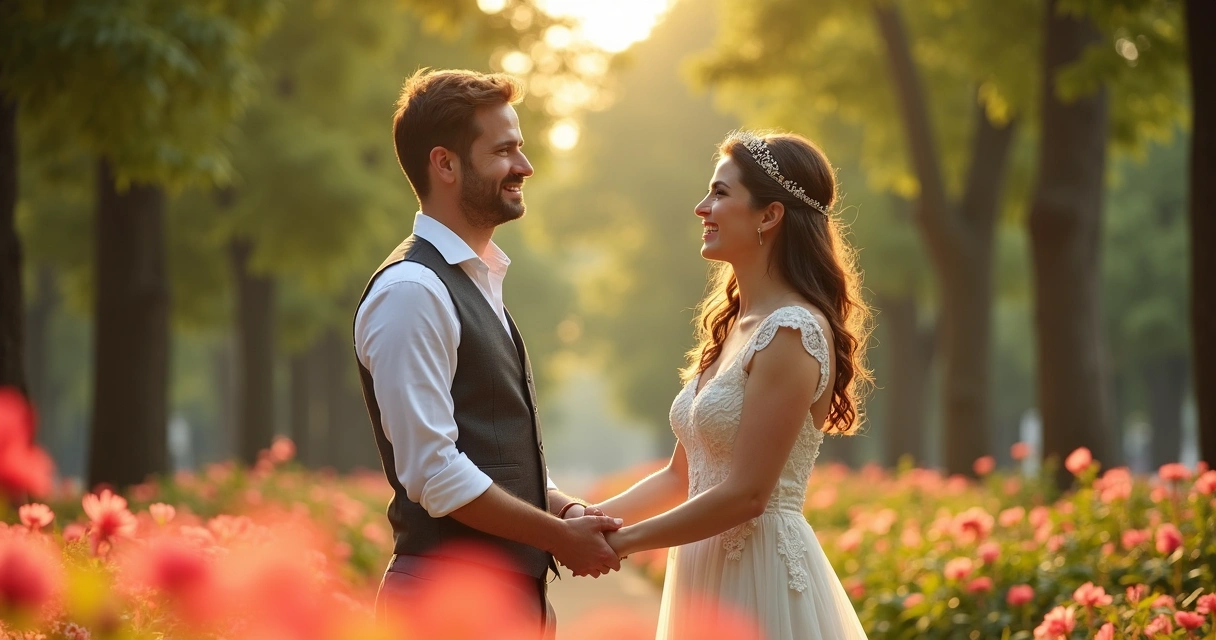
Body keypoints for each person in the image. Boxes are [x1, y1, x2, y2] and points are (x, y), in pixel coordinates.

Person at [353, 68, 622, 639]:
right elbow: (436, 473)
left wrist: (562, 508)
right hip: (445, 610)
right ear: (445, 164)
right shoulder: (412, 292)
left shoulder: (470, 284)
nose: (524, 166)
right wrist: (558, 538)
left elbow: (488, 451)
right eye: (504, 151)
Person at [595, 130, 873, 639]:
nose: (701, 208)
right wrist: (580, 522)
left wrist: (622, 543)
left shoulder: (792, 331)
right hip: (703, 573)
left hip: (759, 578)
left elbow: (747, 494)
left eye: (720, 193)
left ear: (769, 215)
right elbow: (680, 477)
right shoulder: (734, 328)